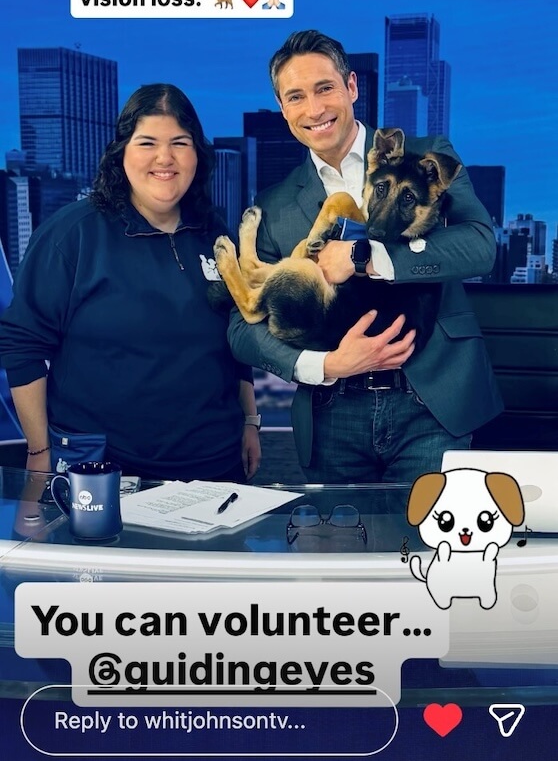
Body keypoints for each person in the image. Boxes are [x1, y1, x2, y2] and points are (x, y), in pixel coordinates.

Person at [228, 30, 503, 484]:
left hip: (432, 400)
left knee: (434, 550)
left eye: (325, 88)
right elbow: (242, 329)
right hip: (332, 411)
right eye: (296, 96)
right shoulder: (275, 203)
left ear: (352, 87)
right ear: (282, 108)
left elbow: (479, 246)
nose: (314, 109)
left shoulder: (423, 155)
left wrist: (365, 258)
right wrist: (322, 365)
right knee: (337, 550)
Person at [0, 84, 261, 483]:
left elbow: (238, 338)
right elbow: (21, 344)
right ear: (121, 152)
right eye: (147, 143)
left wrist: (250, 421)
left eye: (180, 142)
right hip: (103, 472)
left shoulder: (215, 233)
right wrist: (39, 450)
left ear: (197, 154)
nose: (165, 158)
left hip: (217, 468)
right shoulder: (73, 234)